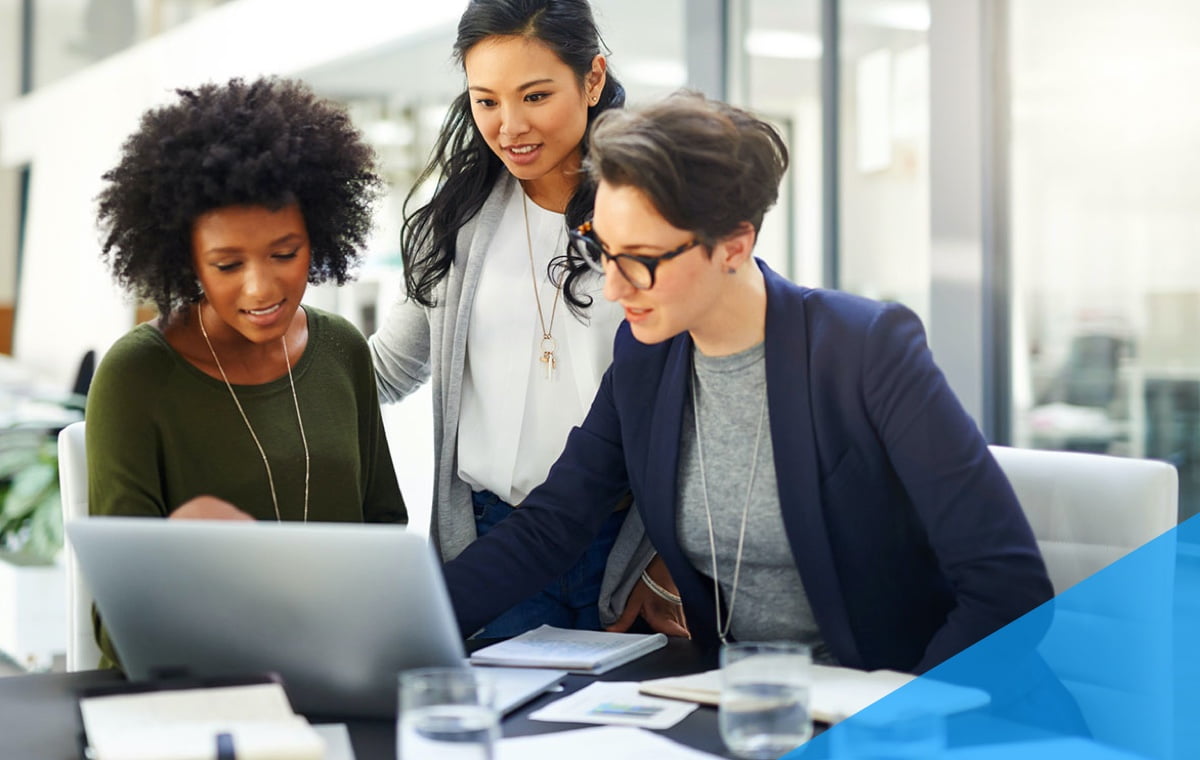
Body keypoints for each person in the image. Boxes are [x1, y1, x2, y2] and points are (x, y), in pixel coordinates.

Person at [443, 92, 1053, 674]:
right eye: (603, 250)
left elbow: (1009, 589)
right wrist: (414, 617)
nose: (613, 287)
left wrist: (898, 721)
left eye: (641, 260)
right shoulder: (645, 358)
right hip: (746, 708)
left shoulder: (864, 350)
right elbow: (552, 524)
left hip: (909, 707)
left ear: (734, 244)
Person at [369, 0, 686, 638]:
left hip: (623, 551)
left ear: (592, 79)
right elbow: (386, 370)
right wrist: (245, 351)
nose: (510, 125)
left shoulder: (653, 218)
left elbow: (702, 398)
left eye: (535, 95)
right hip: (492, 542)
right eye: (485, 101)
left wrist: (665, 567)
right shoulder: (455, 222)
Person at [88, 76, 406, 667]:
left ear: (320, 235)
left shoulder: (342, 350)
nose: (262, 288)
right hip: (194, 690)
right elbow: (118, 621)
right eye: (227, 263)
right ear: (186, 261)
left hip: (336, 669)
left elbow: (384, 533)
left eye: (285, 254)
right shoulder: (136, 378)